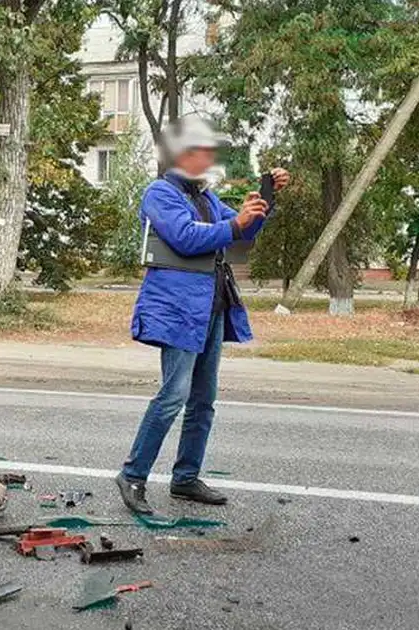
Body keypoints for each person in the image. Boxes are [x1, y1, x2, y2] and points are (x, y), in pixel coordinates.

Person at [115, 118, 290, 514]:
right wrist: (236, 222)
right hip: (177, 310)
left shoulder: (206, 198)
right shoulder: (160, 193)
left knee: (203, 400)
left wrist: (265, 201)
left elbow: (243, 234)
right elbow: (185, 237)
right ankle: (133, 475)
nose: (207, 158)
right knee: (173, 396)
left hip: (210, 308)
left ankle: (185, 478)